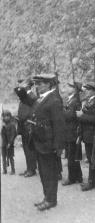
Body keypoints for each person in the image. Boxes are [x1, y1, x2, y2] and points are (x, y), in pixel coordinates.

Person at [21, 73, 65, 211]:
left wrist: (58, 146)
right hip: (40, 142)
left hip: (49, 143)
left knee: (49, 174)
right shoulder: (42, 98)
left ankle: (51, 200)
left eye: (40, 84)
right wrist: (21, 89)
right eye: (36, 84)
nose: (37, 86)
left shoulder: (54, 100)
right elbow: (27, 101)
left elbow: (59, 125)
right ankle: (47, 197)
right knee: (44, 172)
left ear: (49, 84)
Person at [77, 82, 95, 191]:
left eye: (88, 89)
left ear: (93, 91)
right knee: (91, 158)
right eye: (86, 89)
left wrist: (81, 116)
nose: (86, 91)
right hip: (87, 134)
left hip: (92, 134)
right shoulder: (90, 101)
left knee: (93, 158)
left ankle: (92, 181)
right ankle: (93, 180)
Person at [62, 82, 83, 186]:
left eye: (69, 86)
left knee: (71, 156)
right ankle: (78, 176)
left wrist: (62, 111)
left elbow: (70, 116)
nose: (67, 88)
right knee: (72, 155)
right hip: (68, 131)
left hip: (73, 132)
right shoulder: (70, 100)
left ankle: (71, 178)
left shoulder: (75, 101)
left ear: (75, 89)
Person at [16, 78, 37, 177]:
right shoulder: (24, 96)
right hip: (23, 125)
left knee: (29, 148)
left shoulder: (31, 96)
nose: (20, 86)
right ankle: (29, 168)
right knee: (26, 147)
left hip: (28, 125)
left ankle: (32, 169)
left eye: (22, 84)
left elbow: (30, 111)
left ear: (28, 85)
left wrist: (23, 118)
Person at [1, 110, 17, 175]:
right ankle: (4, 170)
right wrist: (3, 128)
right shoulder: (3, 125)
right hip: (3, 144)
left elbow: (13, 134)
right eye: (4, 116)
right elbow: (2, 134)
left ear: (10, 116)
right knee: (3, 157)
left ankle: (13, 170)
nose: (6, 117)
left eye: (7, 116)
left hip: (10, 144)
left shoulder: (12, 124)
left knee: (10, 157)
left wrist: (10, 143)